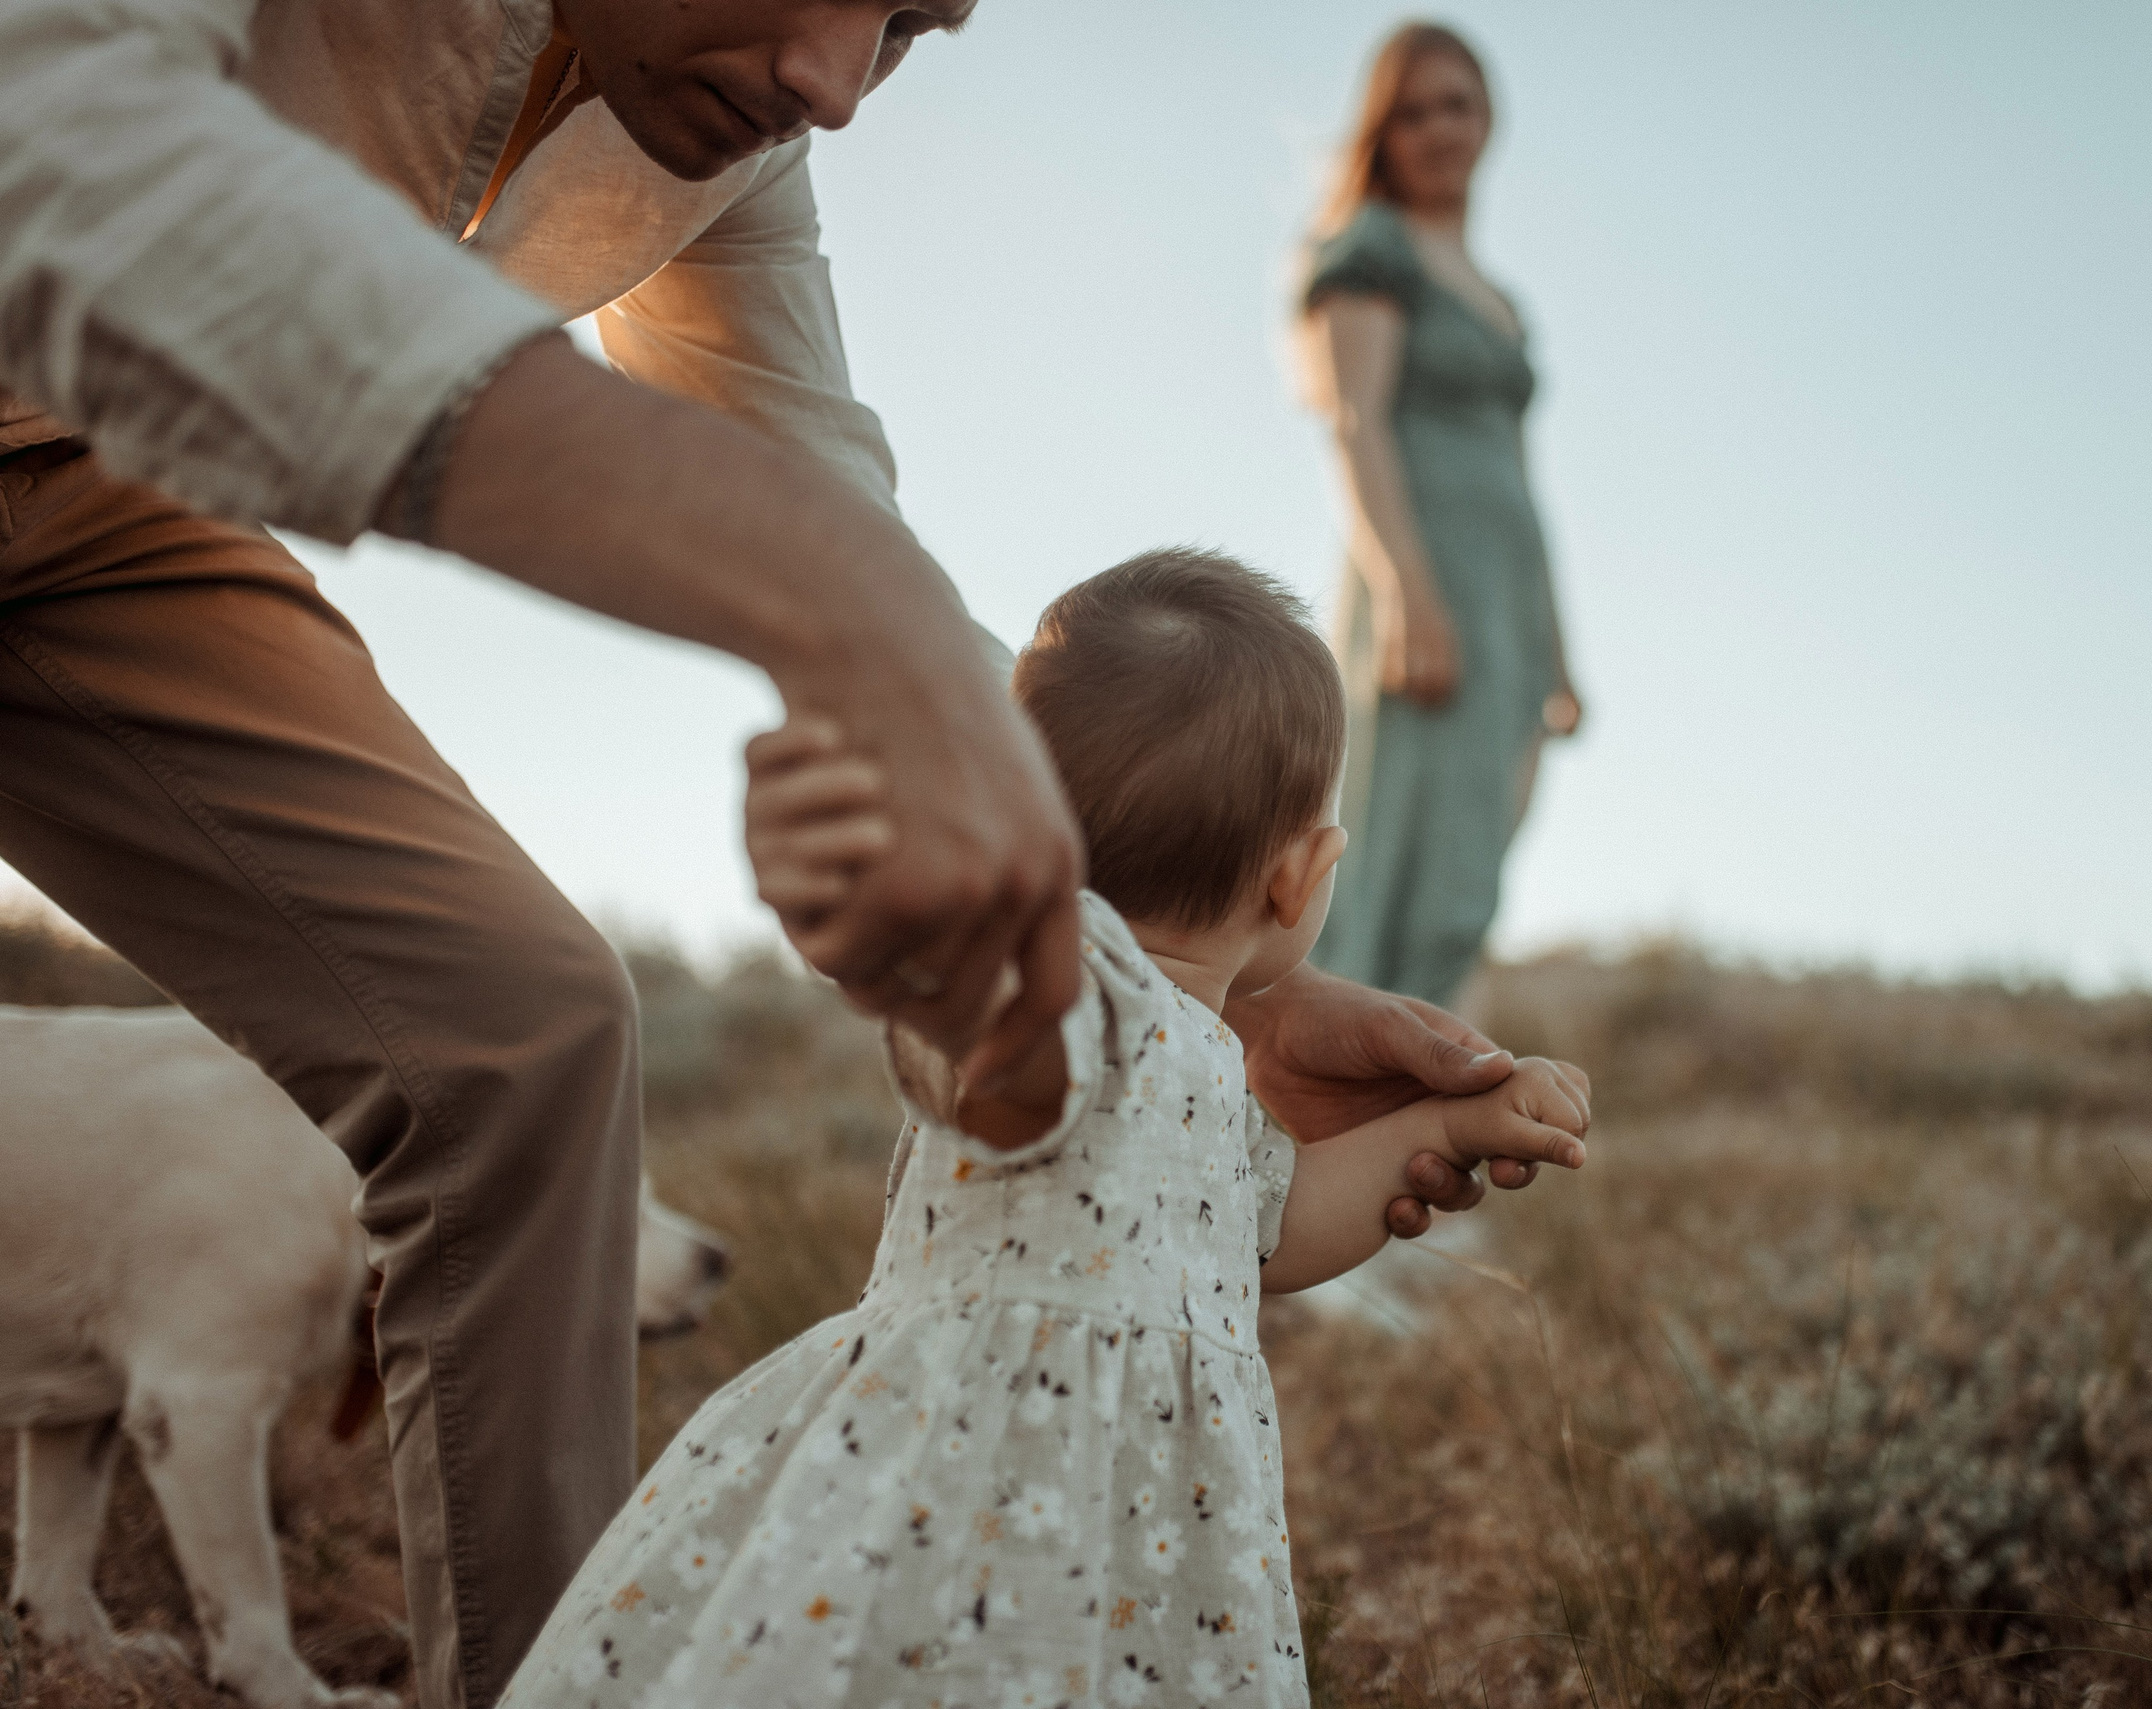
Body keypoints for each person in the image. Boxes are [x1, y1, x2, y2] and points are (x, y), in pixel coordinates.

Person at [0, 6, 1548, 1706]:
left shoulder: (730, 137)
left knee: (523, 1034)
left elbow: (808, 477)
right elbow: (49, 147)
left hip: (100, 517)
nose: (831, 81)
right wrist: (838, 608)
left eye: (905, 27)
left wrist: (1187, 971)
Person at [497, 549, 1592, 1708]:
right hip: (966, 1489)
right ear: (1302, 873)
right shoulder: (1082, 981)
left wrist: (1450, 1119)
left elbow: (1276, 1229)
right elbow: (1001, 1058)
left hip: (1145, 1526)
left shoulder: (1209, 1057)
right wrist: (921, 951)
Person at [1296, 22, 1583, 1010]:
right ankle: (1319, 1107)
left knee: (1472, 872)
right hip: (1424, 592)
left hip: (1507, 612)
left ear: (1487, 116)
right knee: (1388, 866)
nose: (1436, 130)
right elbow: (1355, 423)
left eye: (1454, 104)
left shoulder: (1498, 300)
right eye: (1410, 112)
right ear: (1382, 131)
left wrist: (1557, 648)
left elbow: (1520, 482)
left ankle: (1416, 1117)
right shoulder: (1371, 251)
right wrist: (1408, 592)